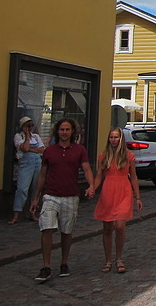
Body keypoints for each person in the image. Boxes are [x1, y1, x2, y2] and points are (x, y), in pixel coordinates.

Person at [30, 118, 94, 282]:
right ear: (57, 132)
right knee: (47, 229)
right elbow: (42, 175)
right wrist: (36, 197)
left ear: (72, 132)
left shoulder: (79, 150)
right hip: (51, 195)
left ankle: (64, 262)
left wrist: (92, 185)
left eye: (67, 130)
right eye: (61, 130)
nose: (64, 132)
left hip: (70, 196)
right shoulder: (49, 151)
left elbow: (86, 169)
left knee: (66, 231)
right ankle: (46, 266)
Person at [88, 128, 142, 274]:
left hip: (124, 191)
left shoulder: (128, 156)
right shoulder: (103, 156)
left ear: (121, 139)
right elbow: (99, 175)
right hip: (108, 192)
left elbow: (134, 177)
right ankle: (108, 260)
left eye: (116, 137)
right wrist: (93, 187)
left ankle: (119, 257)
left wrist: (137, 197)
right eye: (111, 137)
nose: (113, 140)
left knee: (119, 226)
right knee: (107, 228)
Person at [9, 116, 45, 224]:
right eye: (27, 126)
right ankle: (16, 214)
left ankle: (32, 213)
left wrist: (30, 149)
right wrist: (27, 137)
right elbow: (24, 148)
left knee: (35, 189)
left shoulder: (37, 137)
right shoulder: (18, 136)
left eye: (31, 126)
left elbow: (42, 150)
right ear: (23, 127)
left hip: (37, 163)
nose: (30, 128)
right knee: (22, 189)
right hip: (25, 164)